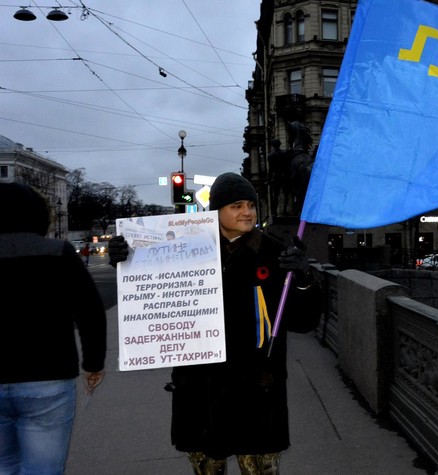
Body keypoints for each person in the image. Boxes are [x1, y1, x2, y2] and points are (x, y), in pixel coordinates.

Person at [109, 172, 321, 475]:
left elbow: (303, 322)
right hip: (202, 390)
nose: (247, 212)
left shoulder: (275, 254)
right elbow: (149, 282)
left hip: (257, 389)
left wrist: (304, 278)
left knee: (260, 467)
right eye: (236, 206)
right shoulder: (185, 249)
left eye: (251, 205)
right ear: (216, 211)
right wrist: (126, 258)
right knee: (208, 466)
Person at [0, 182, 107, 474]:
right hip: (47, 376)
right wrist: (93, 364)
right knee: (43, 469)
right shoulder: (58, 252)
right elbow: (90, 311)